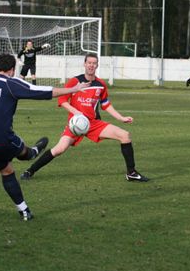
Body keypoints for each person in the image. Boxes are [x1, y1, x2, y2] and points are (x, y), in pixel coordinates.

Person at [0, 53, 90, 221]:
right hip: (2, 140)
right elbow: (42, 91)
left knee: (7, 170)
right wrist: (73, 89)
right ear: (11, 70)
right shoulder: (10, 83)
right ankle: (34, 152)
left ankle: (24, 211)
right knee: (26, 155)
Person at [21, 52, 149, 182]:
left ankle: (131, 173)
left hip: (93, 124)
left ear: (97, 65)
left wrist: (121, 118)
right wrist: (76, 112)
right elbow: (62, 101)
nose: (91, 65)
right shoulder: (75, 81)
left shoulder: (101, 84)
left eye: (94, 63)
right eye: (89, 63)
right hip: (75, 124)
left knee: (125, 135)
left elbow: (106, 105)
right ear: (84, 64)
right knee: (59, 149)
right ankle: (30, 171)